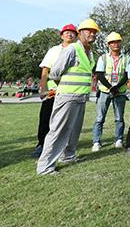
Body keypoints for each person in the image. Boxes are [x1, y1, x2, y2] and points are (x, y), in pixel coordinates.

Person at [36, 19, 98, 175]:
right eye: (88, 30)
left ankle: (68, 157)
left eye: (94, 31)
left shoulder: (89, 53)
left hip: (80, 97)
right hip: (67, 96)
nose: (92, 33)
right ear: (80, 33)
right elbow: (55, 72)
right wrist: (62, 86)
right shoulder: (72, 49)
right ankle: (45, 167)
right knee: (58, 131)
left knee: (74, 130)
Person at [31, 24, 77, 158]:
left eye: (72, 33)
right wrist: (43, 88)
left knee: (66, 121)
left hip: (70, 91)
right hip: (52, 91)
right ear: (62, 35)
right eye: (67, 32)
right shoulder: (54, 50)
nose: (69, 34)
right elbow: (45, 70)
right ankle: (41, 145)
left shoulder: (78, 51)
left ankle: (63, 147)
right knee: (46, 118)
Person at [92, 32, 130, 151]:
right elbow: (99, 74)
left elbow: (127, 75)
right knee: (99, 118)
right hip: (104, 91)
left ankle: (118, 139)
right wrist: (110, 87)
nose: (115, 44)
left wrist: (117, 87)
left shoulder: (126, 58)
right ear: (109, 44)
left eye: (118, 41)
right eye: (113, 42)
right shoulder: (103, 58)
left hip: (120, 91)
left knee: (119, 117)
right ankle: (96, 142)